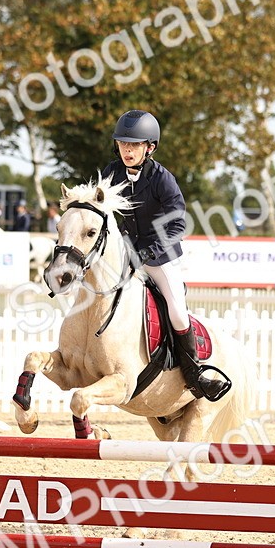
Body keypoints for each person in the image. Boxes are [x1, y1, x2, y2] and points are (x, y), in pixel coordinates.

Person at [100, 109, 230, 401]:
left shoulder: (162, 179)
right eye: (123, 144)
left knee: (175, 305)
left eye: (134, 145)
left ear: (150, 147)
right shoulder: (111, 173)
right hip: (126, 252)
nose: (128, 150)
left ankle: (194, 372)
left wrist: (150, 251)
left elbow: (177, 225)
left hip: (160, 256)